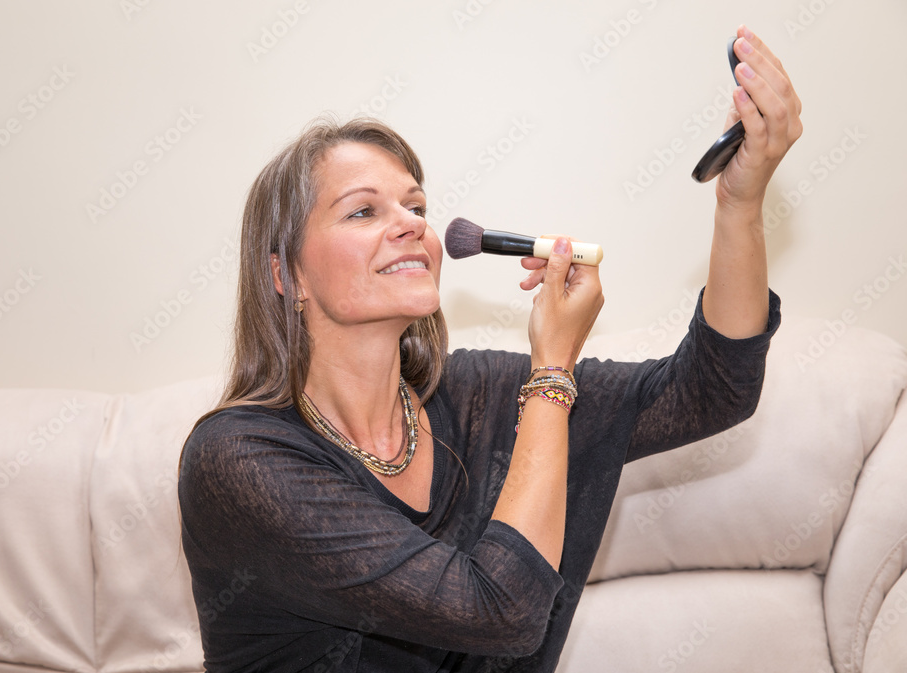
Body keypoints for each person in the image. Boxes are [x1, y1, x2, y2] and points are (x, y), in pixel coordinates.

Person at [178, 25, 801, 673]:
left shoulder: (471, 396)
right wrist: (551, 373)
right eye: (363, 211)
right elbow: (500, 608)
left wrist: (740, 201)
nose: (413, 223)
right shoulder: (237, 459)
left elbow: (712, 390)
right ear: (288, 276)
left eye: (415, 205)